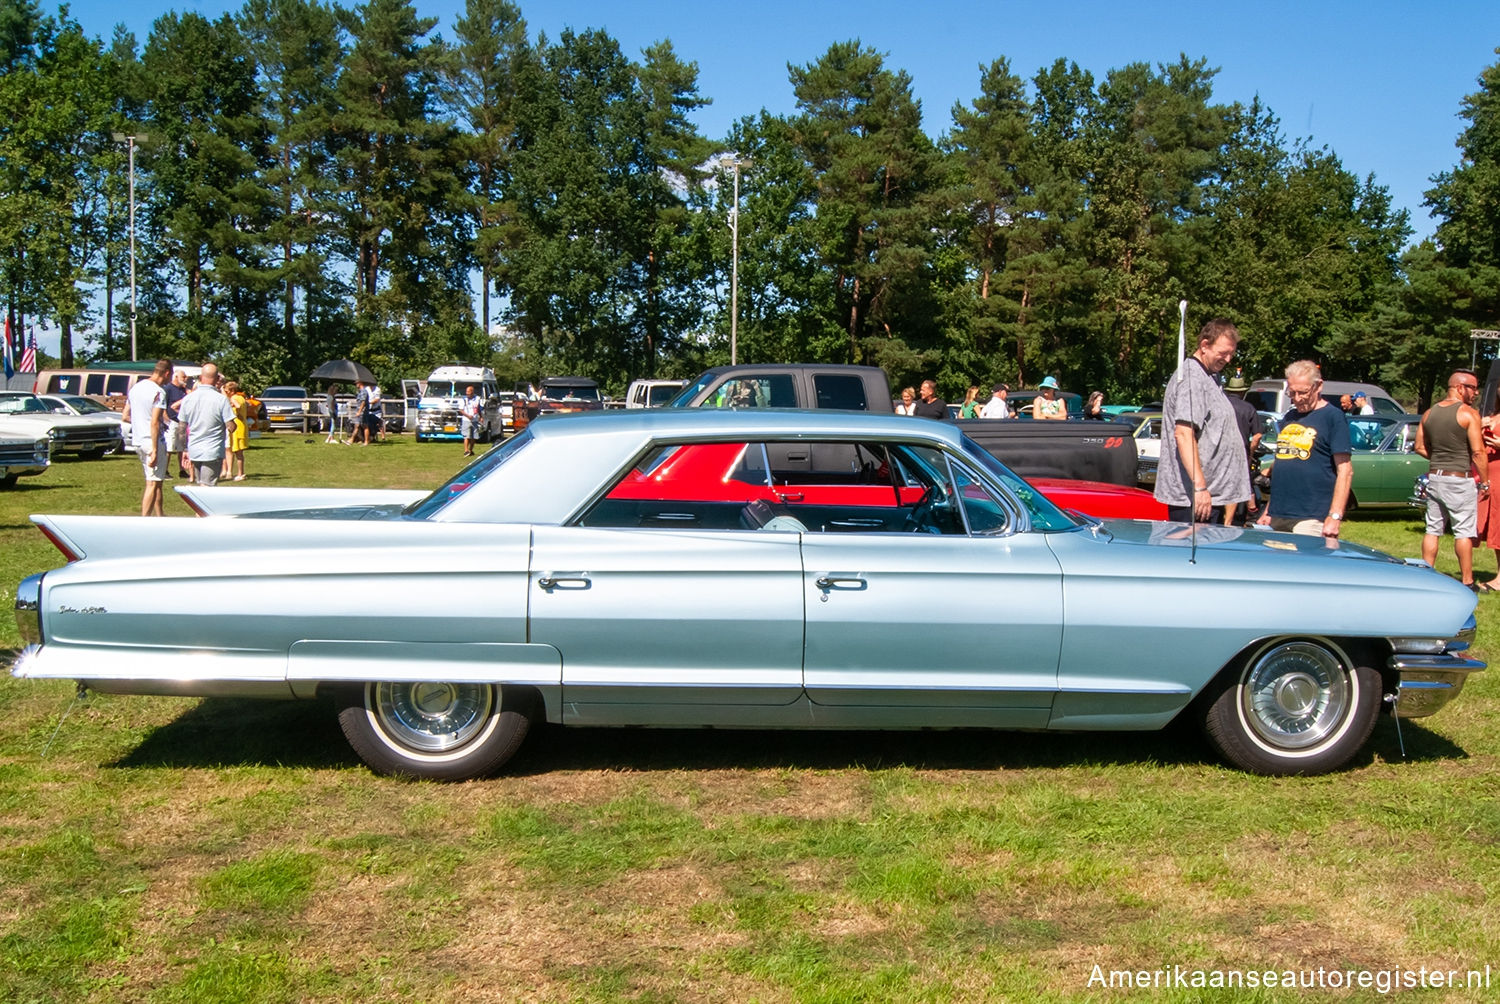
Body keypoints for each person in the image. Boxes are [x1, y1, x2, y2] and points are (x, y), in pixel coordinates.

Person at [1154, 319, 1250, 523]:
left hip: (1209, 497)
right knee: (1192, 554)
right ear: (1204, 345)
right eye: (1223, 353)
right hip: (1195, 500)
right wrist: (1200, 487)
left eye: (1232, 353)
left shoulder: (1208, 377)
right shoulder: (1192, 378)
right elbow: (1183, 434)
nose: (1228, 359)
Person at [1255, 360, 1351, 537]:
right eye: (1292, 393)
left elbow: (1345, 470)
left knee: (1303, 564)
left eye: (1303, 392)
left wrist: (1335, 516)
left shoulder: (1333, 417)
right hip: (1278, 513)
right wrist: (1269, 509)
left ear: (1318, 386)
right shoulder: (1290, 416)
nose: (1297, 398)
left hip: (1311, 516)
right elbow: (1283, 461)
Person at [1416, 369, 1489, 592]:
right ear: (1459, 388)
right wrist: (1485, 482)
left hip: (1436, 477)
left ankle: (1426, 574)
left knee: (1432, 529)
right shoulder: (1468, 414)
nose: (1476, 393)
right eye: (1473, 388)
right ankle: (1467, 580)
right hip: (1460, 479)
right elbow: (1478, 452)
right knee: (1464, 531)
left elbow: (1419, 446)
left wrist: (1439, 459)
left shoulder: (1429, 413)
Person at [122, 358, 172, 516]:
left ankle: (160, 515)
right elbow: (155, 422)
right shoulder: (159, 392)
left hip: (138, 441)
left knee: (157, 481)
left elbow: (125, 416)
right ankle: (145, 520)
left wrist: (140, 423)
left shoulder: (136, 388)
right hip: (152, 441)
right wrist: (156, 450)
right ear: (167, 373)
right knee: (152, 483)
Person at [177, 362, 237, 486]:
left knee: (201, 485)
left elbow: (182, 428)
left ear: (200, 378)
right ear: (217, 379)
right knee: (207, 487)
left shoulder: (188, 399)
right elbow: (231, 427)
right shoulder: (220, 399)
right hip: (212, 449)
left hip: (194, 449)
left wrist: (184, 449)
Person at [1223, 372, 1264, 526]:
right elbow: (1257, 435)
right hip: (1240, 453)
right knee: (1239, 484)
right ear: (1242, 392)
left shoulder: (1220, 404)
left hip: (1218, 452)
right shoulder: (1249, 408)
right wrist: (1251, 452)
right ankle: (1231, 521)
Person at [164, 367, 190, 478]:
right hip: (172, 421)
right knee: (169, 447)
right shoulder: (168, 389)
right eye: (183, 376)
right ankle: (164, 470)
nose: (185, 378)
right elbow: (163, 406)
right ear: (175, 377)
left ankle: (182, 470)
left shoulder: (183, 390)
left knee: (181, 447)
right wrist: (167, 420)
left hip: (182, 422)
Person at [224, 380, 249, 481]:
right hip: (242, 426)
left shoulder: (234, 398)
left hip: (238, 427)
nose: (226, 393)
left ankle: (240, 473)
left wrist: (237, 413)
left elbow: (238, 406)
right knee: (239, 451)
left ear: (232, 390)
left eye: (227, 391)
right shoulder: (241, 397)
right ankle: (240, 472)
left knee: (238, 452)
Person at [459, 384, 482, 457]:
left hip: (475, 420)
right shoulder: (463, 400)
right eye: (466, 391)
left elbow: (479, 408)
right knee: (466, 436)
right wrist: (468, 416)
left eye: (468, 392)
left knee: (474, 436)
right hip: (466, 420)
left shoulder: (477, 399)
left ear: (472, 392)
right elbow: (461, 410)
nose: (467, 393)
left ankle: (471, 450)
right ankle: (466, 450)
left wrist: (481, 416)